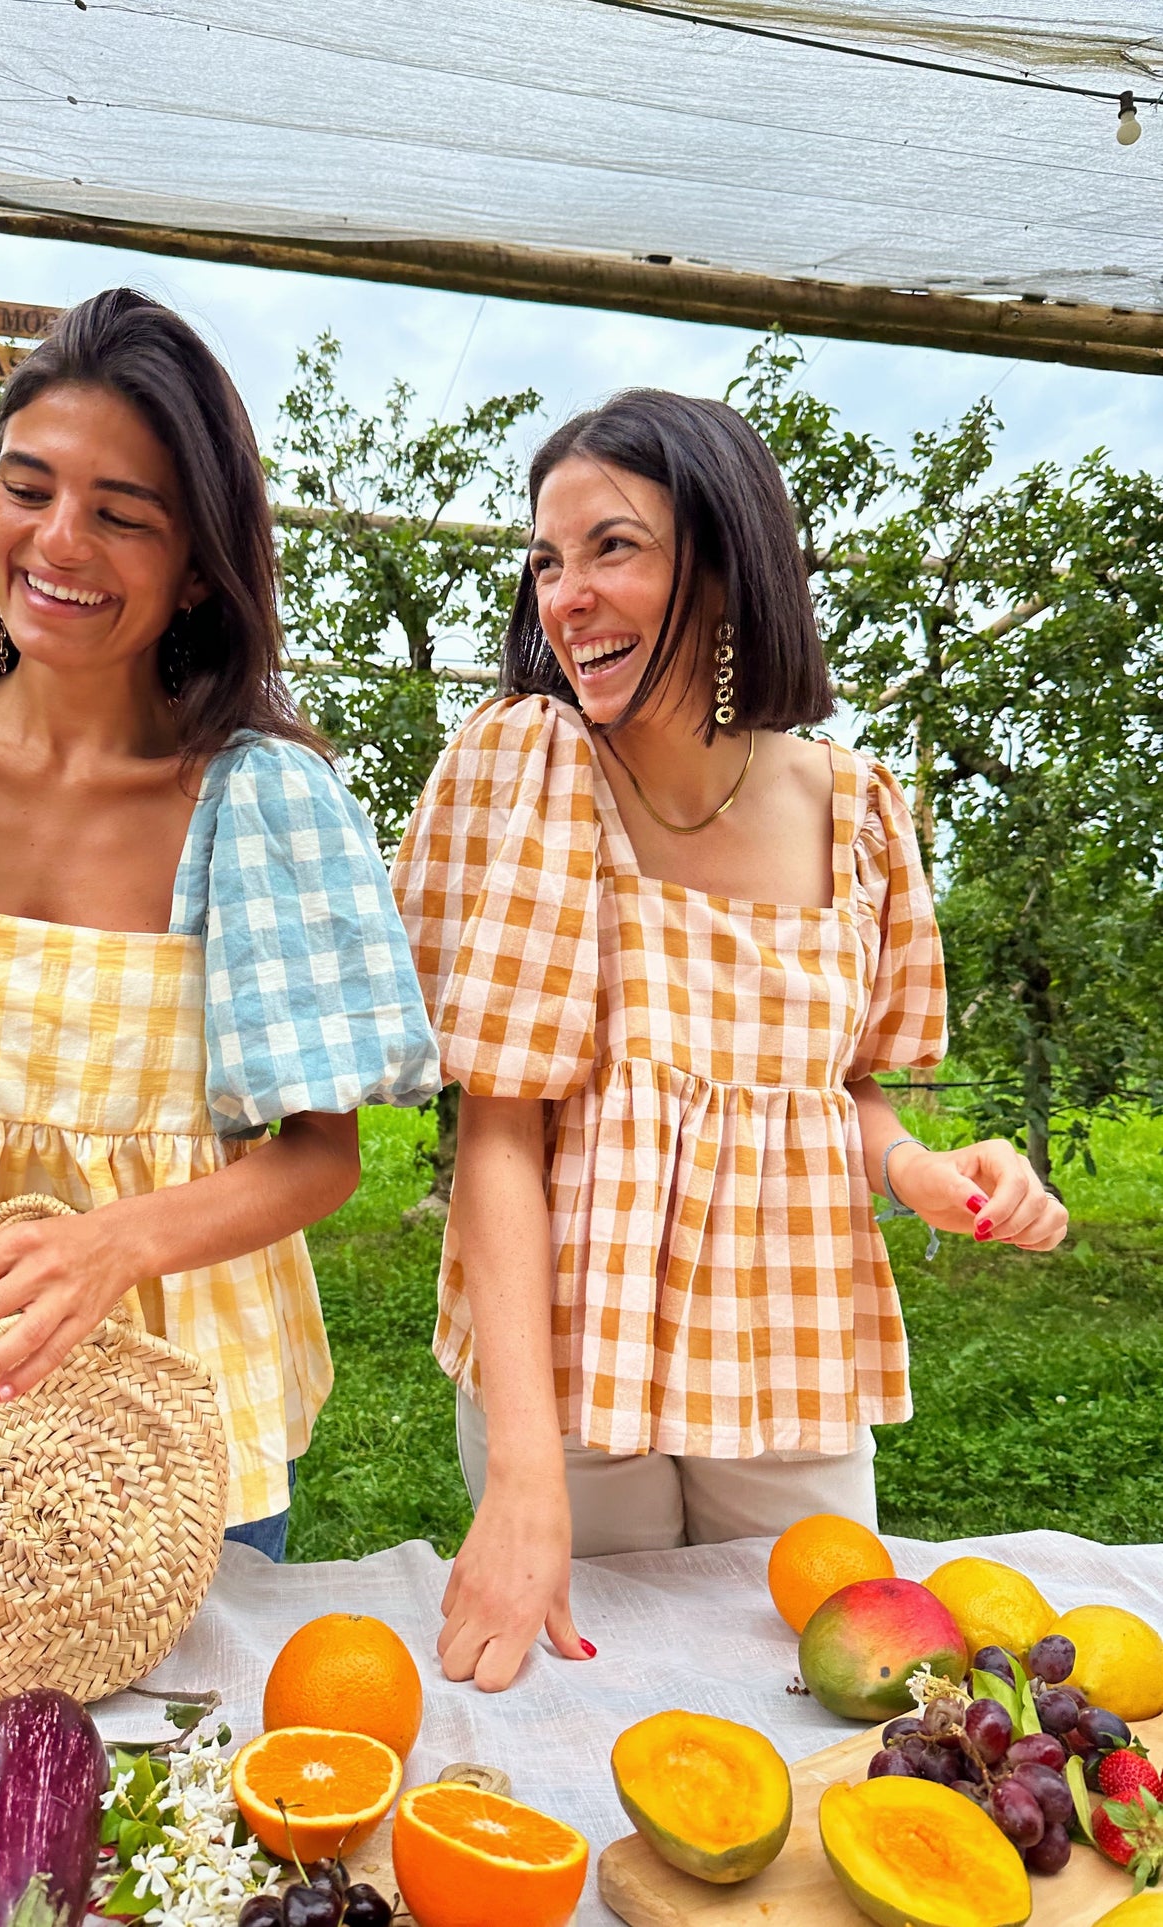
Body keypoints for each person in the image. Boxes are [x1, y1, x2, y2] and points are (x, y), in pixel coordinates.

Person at [0, 288, 439, 1561]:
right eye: (29, 486)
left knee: (181, 1742)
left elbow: (322, 1153)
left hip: (171, 1395)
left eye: (121, 514)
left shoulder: (252, 802)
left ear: (202, 563)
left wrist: (111, 1244)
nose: (58, 541)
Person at [392, 389, 1068, 1687]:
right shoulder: (526, 773)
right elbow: (497, 1128)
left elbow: (840, 1091)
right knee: (587, 1705)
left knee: (830, 1689)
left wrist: (920, 1166)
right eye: (547, 558)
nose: (566, 592)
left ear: (722, 558)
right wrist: (527, 1468)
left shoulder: (855, 809)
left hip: (790, 1350)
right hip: (571, 1372)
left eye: (613, 546)